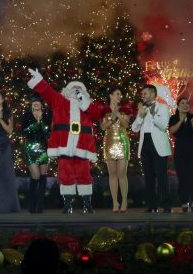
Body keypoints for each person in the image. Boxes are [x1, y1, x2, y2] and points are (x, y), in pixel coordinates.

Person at [26, 68, 106, 213]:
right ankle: (67, 204)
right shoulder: (59, 100)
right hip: (64, 143)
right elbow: (47, 91)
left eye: (79, 88)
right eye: (73, 88)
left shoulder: (88, 105)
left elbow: (96, 115)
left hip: (82, 144)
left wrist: (84, 102)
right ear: (67, 90)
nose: (76, 90)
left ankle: (87, 204)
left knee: (84, 173)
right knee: (65, 172)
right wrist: (39, 79)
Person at [132, 84, 172, 213]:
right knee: (148, 175)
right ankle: (152, 205)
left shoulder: (163, 107)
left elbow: (164, 126)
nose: (142, 96)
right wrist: (140, 116)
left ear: (153, 94)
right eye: (142, 94)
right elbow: (134, 128)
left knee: (161, 175)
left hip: (158, 144)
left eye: (145, 93)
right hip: (145, 143)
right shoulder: (142, 109)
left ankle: (166, 205)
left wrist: (153, 115)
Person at [100, 88, 134, 212]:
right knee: (112, 174)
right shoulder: (104, 110)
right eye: (117, 94)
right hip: (109, 142)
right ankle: (115, 202)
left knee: (122, 174)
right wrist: (111, 118)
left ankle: (124, 200)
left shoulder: (125, 109)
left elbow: (126, 125)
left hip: (122, 141)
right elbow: (103, 127)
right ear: (110, 95)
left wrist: (118, 113)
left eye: (120, 94)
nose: (120, 96)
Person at [168, 96, 193, 212]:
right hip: (180, 149)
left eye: (187, 103)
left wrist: (192, 123)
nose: (185, 105)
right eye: (182, 103)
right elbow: (172, 131)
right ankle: (184, 201)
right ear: (178, 106)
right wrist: (181, 121)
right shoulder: (173, 118)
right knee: (182, 176)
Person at [21, 96, 52, 214]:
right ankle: (31, 205)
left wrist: (42, 121)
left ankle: (40, 206)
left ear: (42, 104)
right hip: (30, 148)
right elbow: (24, 131)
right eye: (34, 101)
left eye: (38, 102)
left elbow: (47, 131)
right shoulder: (27, 115)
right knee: (35, 176)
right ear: (31, 104)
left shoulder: (47, 115)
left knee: (43, 176)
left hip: (43, 148)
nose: (36, 103)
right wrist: (37, 123)